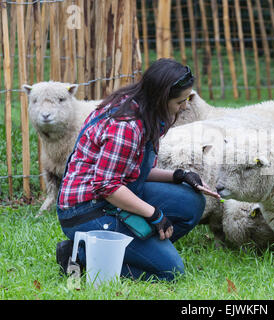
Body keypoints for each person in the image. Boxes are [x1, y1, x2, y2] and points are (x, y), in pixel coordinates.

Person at [55, 58, 220, 282]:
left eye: (187, 99)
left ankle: (139, 250)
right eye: (180, 101)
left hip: (115, 194)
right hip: (87, 209)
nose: (185, 106)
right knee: (170, 273)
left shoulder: (148, 112)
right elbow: (107, 186)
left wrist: (178, 176)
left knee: (191, 202)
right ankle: (82, 255)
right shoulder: (127, 126)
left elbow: (133, 171)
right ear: (162, 97)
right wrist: (153, 214)